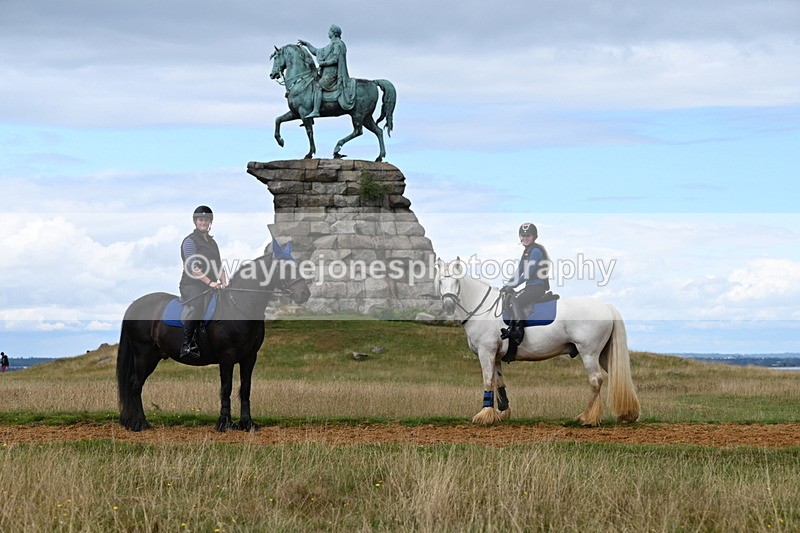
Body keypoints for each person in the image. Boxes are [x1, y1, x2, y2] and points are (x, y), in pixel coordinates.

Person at [179, 205, 227, 358]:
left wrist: (224, 282)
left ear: (210, 222)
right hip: (191, 284)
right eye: (201, 219)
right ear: (195, 221)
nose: (203, 222)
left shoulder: (213, 243)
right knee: (198, 304)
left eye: (206, 220)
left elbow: (219, 266)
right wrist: (210, 282)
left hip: (210, 285)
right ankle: (187, 345)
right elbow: (193, 267)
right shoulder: (189, 241)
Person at [500, 222, 551, 363]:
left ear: (534, 236)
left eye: (528, 235)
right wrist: (507, 285)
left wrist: (513, 285)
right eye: (522, 236)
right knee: (510, 298)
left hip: (537, 287)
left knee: (515, 301)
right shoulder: (526, 251)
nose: (525, 238)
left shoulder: (536, 251)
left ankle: (518, 332)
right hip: (530, 286)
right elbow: (519, 271)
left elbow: (527, 274)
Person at [297, 24, 356, 119]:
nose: (328, 32)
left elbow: (336, 59)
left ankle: (316, 110)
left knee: (317, 86)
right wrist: (307, 44)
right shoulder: (330, 46)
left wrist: (324, 63)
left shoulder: (338, 44)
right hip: (326, 72)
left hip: (332, 73)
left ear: (333, 32)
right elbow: (316, 52)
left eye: (329, 30)